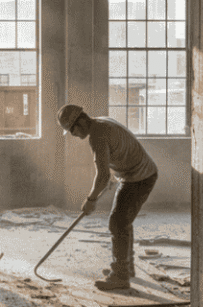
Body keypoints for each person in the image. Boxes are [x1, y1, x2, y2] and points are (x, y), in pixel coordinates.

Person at [57, 104, 158, 290]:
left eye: (72, 130)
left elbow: (102, 175)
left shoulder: (97, 136)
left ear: (80, 122)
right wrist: (113, 177)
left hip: (139, 177)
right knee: (123, 221)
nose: (73, 135)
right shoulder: (101, 122)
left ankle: (120, 276)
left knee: (118, 223)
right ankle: (126, 268)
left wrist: (91, 199)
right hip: (137, 173)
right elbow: (117, 153)